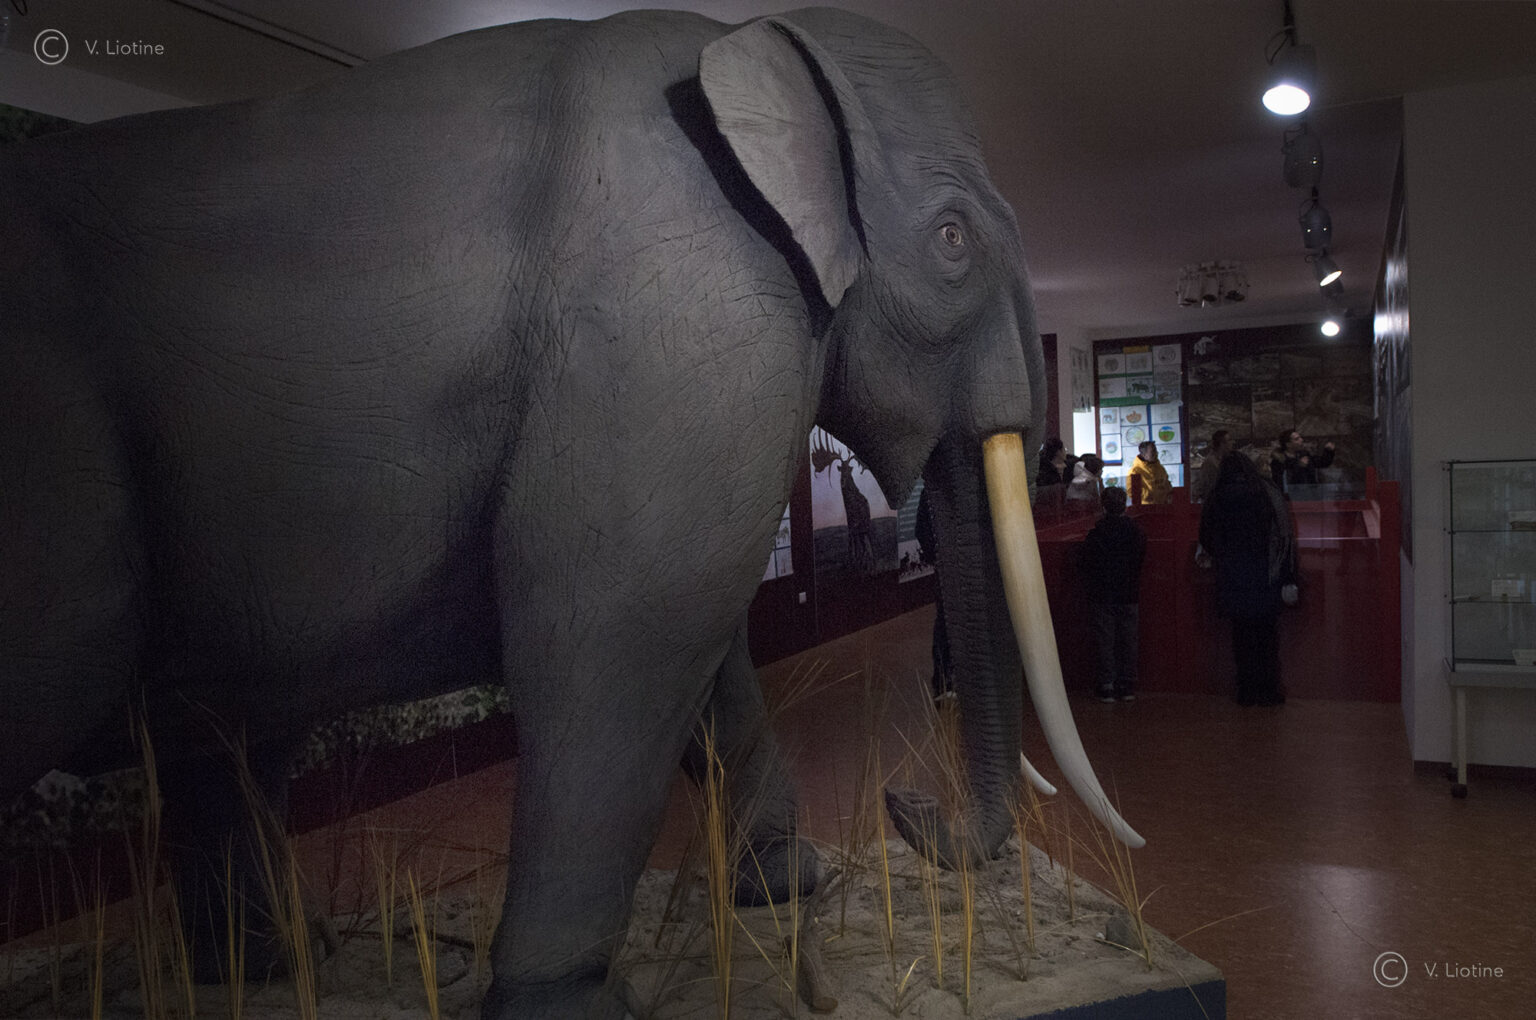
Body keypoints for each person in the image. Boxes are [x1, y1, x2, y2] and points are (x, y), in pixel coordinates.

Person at [1199, 451, 1297, 706]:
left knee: (1241, 637)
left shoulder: (1218, 495)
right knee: (1267, 636)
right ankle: (1269, 690)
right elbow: (1284, 534)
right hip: (1265, 574)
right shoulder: (1267, 491)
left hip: (1233, 576)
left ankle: (1247, 690)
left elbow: (1206, 536)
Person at [1079, 486, 1146, 702]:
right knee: (1128, 639)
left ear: (1103, 506)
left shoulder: (1096, 534)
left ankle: (1106, 684)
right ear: (1124, 505)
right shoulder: (1136, 532)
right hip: (1128, 592)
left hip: (1102, 593)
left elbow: (1087, 563)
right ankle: (1127, 685)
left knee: (1105, 640)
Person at [914, 486, 954, 704]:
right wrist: (939, 558)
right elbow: (922, 530)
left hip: (949, 566)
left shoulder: (930, 491)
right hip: (948, 567)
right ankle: (944, 680)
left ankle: (947, 680)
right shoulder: (932, 491)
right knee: (946, 623)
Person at [1269, 428, 1335, 491]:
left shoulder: (1303, 454)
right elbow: (1280, 481)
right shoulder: (1279, 460)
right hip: (1292, 494)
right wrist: (1298, 466)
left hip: (1310, 492)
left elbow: (1321, 463)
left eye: (1300, 437)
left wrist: (1328, 451)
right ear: (1288, 444)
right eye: (1297, 439)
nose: (1301, 440)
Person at [1191, 429, 1232, 502]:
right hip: (1216, 502)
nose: (1232, 443)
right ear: (1222, 444)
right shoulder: (1211, 462)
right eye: (1229, 440)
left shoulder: (1227, 459)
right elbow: (1202, 482)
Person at [1127, 440, 1172, 505]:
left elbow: (1167, 483)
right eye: (1153, 452)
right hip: (1146, 508)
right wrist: (1150, 495)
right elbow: (1131, 491)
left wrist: (1169, 494)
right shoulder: (1135, 471)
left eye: (1156, 451)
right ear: (1144, 454)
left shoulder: (1160, 468)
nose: (1156, 454)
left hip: (1163, 506)